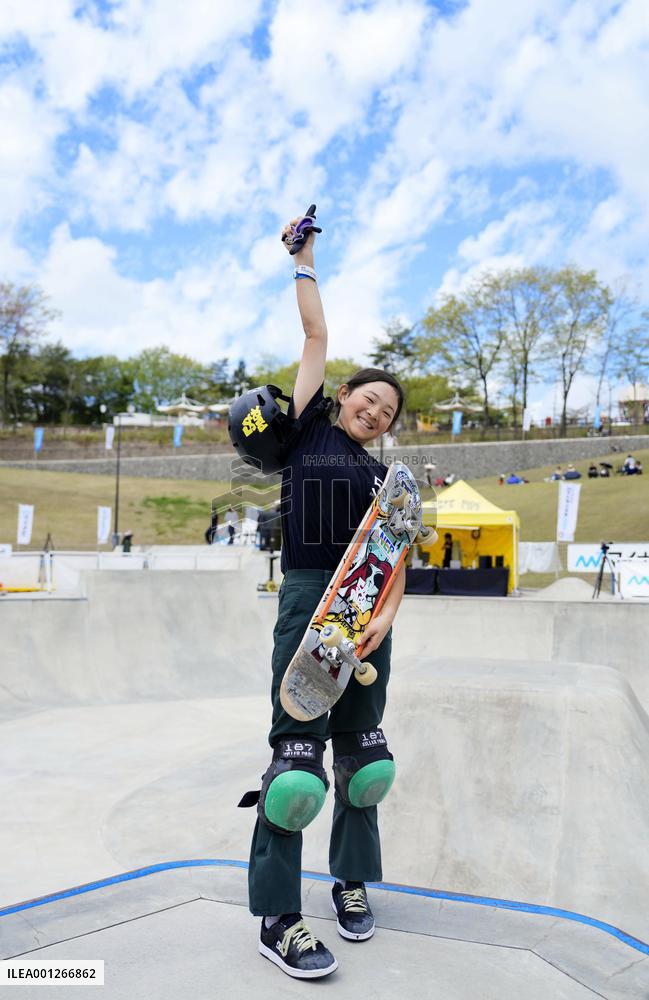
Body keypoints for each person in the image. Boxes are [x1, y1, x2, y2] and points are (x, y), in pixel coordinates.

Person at [241, 212, 415, 981]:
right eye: (367, 399)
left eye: (385, 413)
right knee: (297, 765)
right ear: (343, 396)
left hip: (363, 613)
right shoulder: (310, 430)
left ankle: (349, 884)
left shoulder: (388, 482)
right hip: (308, 596)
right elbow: (313, 336)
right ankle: (278, 916)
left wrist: (383, 615)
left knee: (363, 762)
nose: (373, 413)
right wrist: (303, 262)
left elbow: (397, 556)